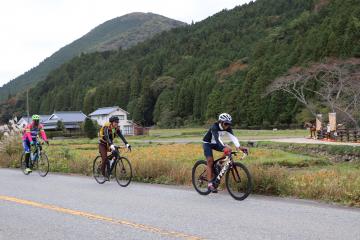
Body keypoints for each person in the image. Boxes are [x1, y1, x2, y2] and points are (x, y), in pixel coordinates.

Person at [202, 113, 247, 192]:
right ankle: (209, 184)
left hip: (216, 143)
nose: (227, 126)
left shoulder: (227, 128)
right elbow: (217, 139)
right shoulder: (214, 127)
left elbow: (233, 138)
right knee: (210, 161)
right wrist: (223, 148)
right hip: (207, 143)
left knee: (229, 149)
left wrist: (239, 147)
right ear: (220, 122)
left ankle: (219, 163)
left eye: (229, 124)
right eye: (226, 123)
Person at [99, 116, 131, 181]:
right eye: (115, 122)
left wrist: (127, 144)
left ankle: (109, 172)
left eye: (117, 122)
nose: (117, 123)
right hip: (103, 144)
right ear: (111, 122)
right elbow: (107, 136)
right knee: (105, 159)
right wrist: (111, 144)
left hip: (110, 144)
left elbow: (121, 136)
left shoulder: (115, 128)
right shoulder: (106, 127)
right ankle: (103, 174)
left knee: (116, 154)